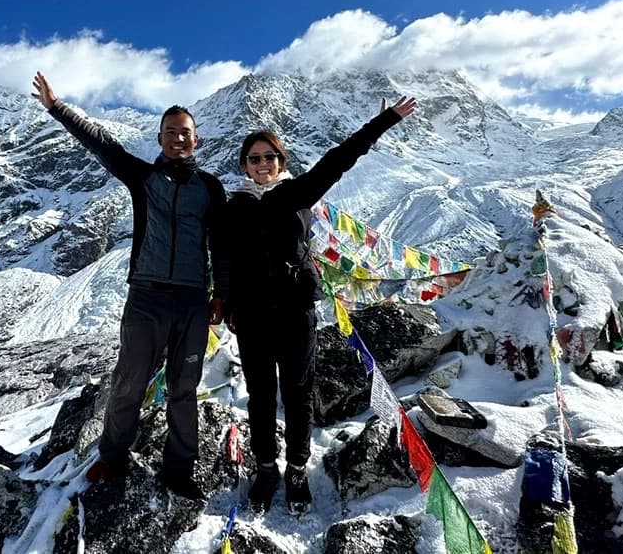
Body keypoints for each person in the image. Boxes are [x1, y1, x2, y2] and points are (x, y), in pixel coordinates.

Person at [31, 72, 228, 500]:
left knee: (183, 387)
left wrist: (221, 295)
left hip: (193, 301)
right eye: (171, 132)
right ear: (160, 138)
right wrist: (56, 107)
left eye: (186, 132)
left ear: (197, 140)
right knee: (129, 381)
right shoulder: (142, 178)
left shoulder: (211, 188)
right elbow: (102, 144)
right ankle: (113, 459)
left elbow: (223, 246)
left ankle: (178, 469)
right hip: (147, 297)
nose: (179, 138)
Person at [225, 96, 417, 513]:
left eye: (270, 156)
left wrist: (384, 119)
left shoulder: (297, 192)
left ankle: (296, 468)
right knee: (259, 394)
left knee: (298, 392)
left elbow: (340, 158)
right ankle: (264, 467)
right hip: (253, 315)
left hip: (296, 311)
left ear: (281, 160)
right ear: (244, 164)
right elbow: (223, 258)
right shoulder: (233, 206)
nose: (263, 163)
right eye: (254, 158)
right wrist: (225, 304)